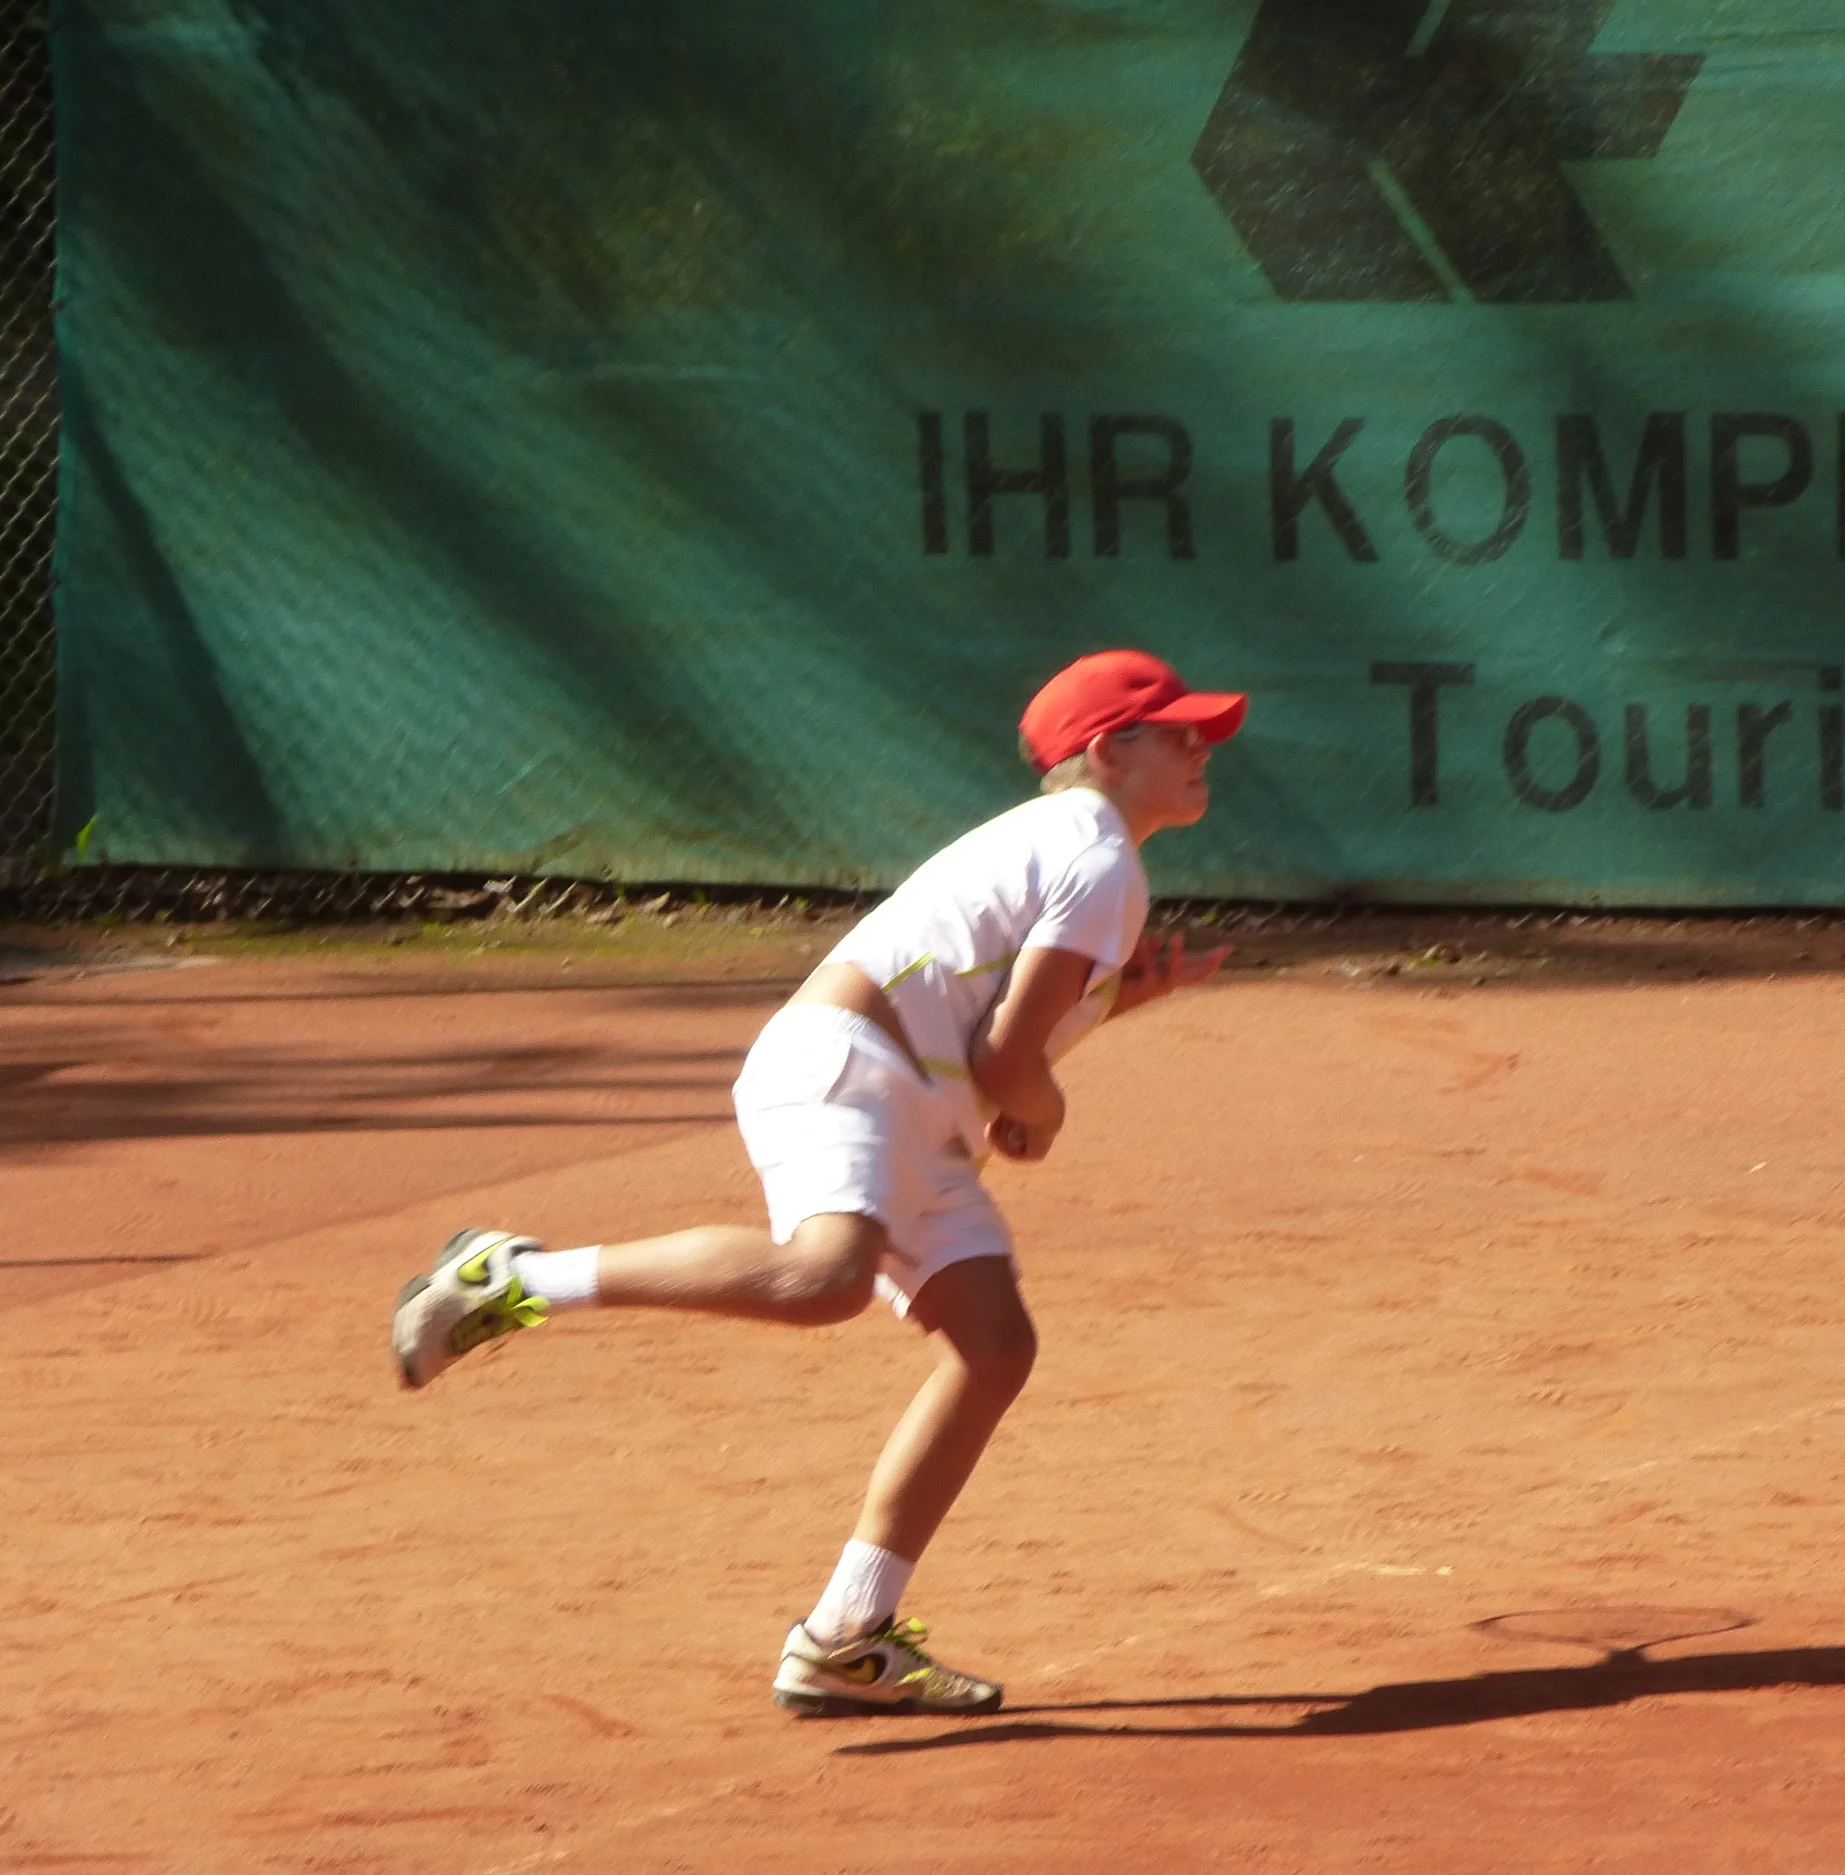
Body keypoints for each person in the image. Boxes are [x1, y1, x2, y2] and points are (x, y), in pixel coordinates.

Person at [389, 649, 1245, 1717]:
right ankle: (512, 1276)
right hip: (852, 1067)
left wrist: (1104, 1012)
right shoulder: (1100, 855)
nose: (1203, 748)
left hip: (908, 1102)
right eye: (1179, 732)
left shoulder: (1069, 845)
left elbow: (995, 1037)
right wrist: (1044, 1109)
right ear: (1110, 751)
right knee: (825, 1276)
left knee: (994, 1347)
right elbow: (1005, 1065)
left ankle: (846, 1635)